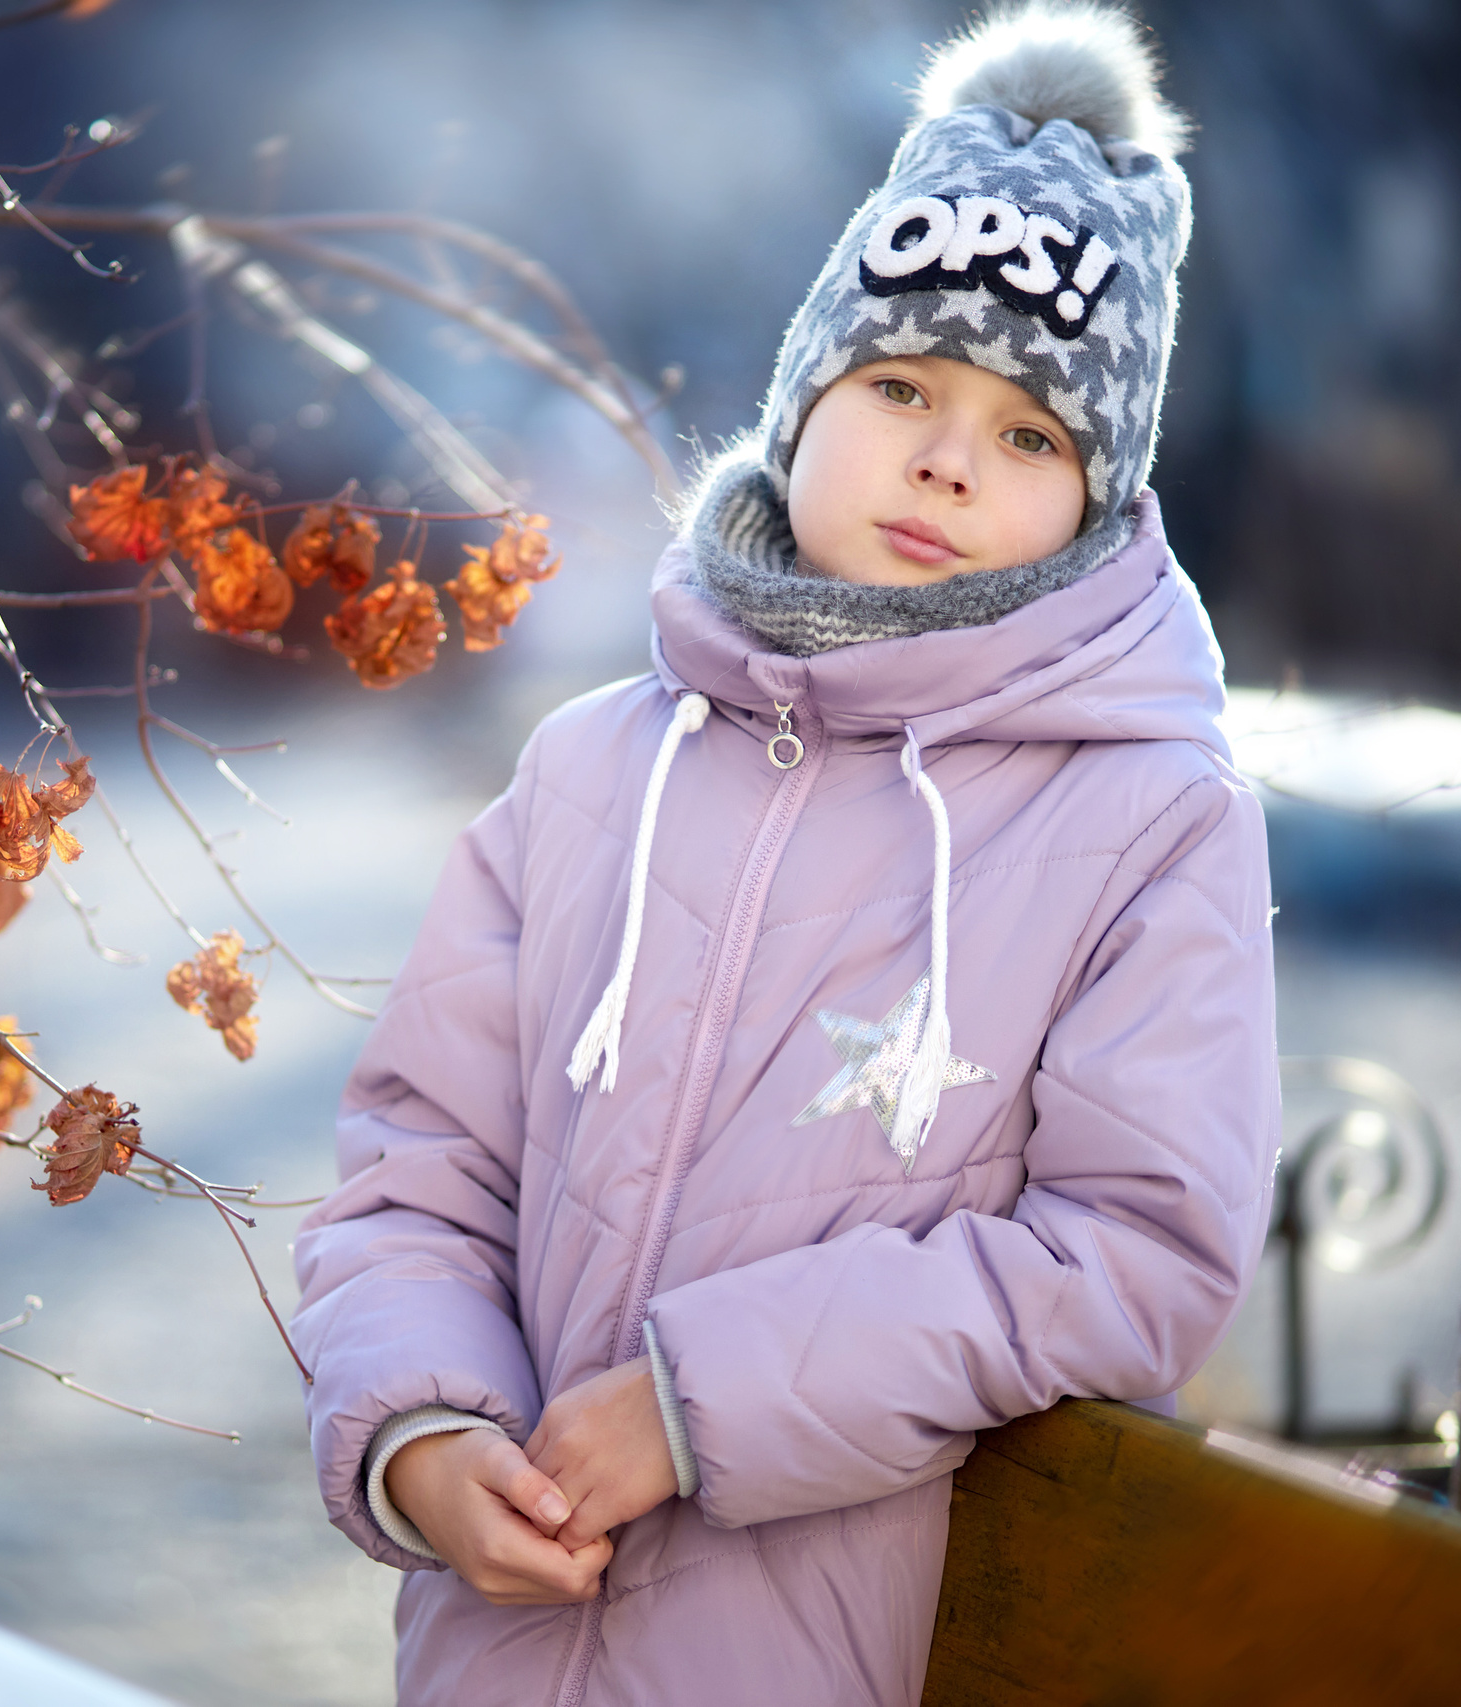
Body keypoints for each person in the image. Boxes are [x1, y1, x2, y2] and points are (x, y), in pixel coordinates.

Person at [291, 5, 1279, 1702]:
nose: (948, 457)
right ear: (806, 398)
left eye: (1032, 433)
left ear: (1099, 499)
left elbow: (1133, 1254)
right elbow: (419, 1167)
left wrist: (700, 1406)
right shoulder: (595, 771)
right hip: (495, 1653)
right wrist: (421, 1436)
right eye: (899, 384)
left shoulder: (1148, 820)